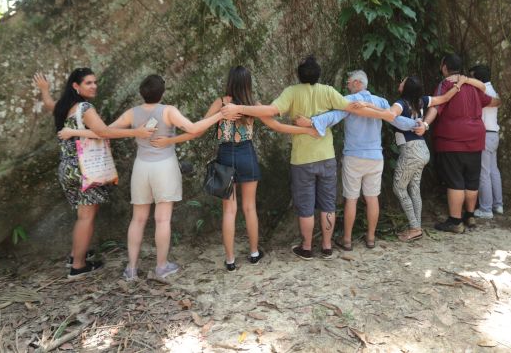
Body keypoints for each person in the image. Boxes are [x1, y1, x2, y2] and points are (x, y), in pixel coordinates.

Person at [59, 74, 223, 281]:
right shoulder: (168, 111)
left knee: (137, 219)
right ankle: (161, 266)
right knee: (162, 219)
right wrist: (220, 114)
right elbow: (193, 129)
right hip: (164, 167)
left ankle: (131, 268)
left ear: (142, 93)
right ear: (162, 92)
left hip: (141, 168)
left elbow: (104, 132)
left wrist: (74, 131)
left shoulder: (132, 113)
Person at [152, 66, 317, 271]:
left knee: (229, 211)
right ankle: (254, 253)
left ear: (229, 81)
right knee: (250, 208)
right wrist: (306, 130)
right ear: (248, 83)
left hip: (225, 157)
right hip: (247, 155)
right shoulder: (253, 106)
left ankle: (230, 260)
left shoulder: (221, 103)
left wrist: (170, 140)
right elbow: (278, 126)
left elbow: (196, 130)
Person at [219, 56, 386, 260]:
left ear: (299, 75)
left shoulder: (292, 92)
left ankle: (306, 247)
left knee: (306, 205)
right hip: (326, 156)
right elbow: (352, 107)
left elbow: (271, 111)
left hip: (302, 158)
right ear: (319, 74)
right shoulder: (328, 91)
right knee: (327, 203)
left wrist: (239, 108)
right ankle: (326, 246)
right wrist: (384, 112)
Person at [33, 69, 155, 280]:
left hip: (68, 169)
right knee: (86, 218)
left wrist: (44, 90)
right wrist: (138, 132)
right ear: (76, 86)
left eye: (95, 82)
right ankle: (78, 266)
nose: (94, 86)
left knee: (84, 216)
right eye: (88, 83)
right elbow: (104, 132)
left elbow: (50, 106)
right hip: (85, 170)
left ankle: (75, 256)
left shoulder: (65, 106)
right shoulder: (85, 108)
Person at [296, 70, 421, 251]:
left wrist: (311, 122)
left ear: (356, 83)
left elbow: (333, 116)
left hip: (354, 157)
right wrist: (415, 124)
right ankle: (370, 239)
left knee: (351, 200)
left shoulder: (350, 101)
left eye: (348, 82)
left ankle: (347, 240)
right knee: (372, 199)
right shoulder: (380, 102)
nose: (347, 85)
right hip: (375, 157)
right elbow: (396, 119)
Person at [422, 54, 499, 234]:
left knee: (455, 180)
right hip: (476, 138)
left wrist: (425, 124)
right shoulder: (472, 85)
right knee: (471, 180)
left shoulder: (445, 85)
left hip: (452, 139)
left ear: (444, 67)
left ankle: (455, 221)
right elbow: (493, 101)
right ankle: (469, 216)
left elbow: (435, 105)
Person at [469, 64, 503, 219]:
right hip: (494, 134)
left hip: (485, 135)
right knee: (493, 170)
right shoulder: (492, 90)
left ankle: (486, 209)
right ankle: (498, 205)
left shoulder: (483, 91)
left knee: (484, 172)